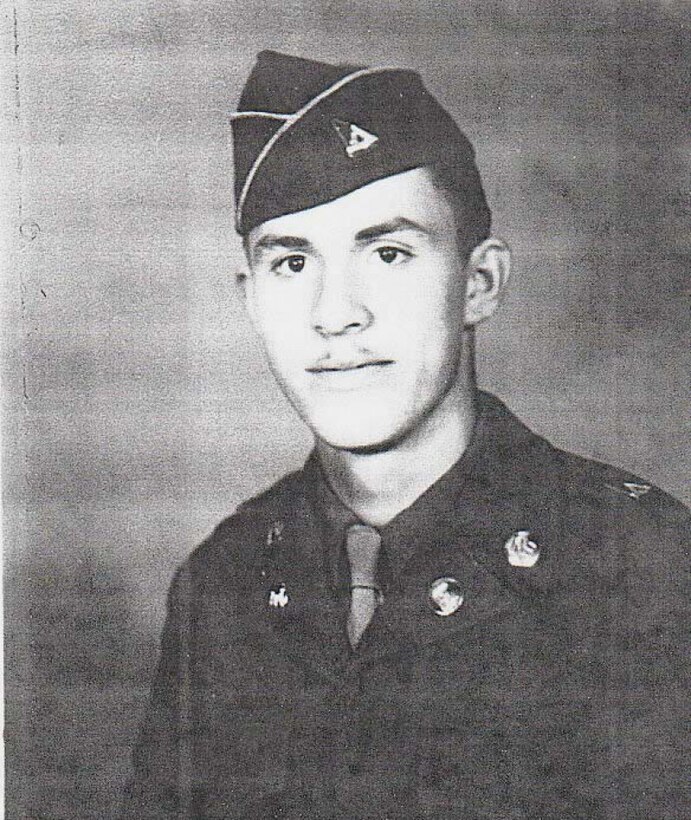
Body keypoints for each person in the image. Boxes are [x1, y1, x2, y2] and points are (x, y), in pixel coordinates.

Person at [122, 50, 689, 819]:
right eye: (291, 263)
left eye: (387, 253)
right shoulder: (221, 586)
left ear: (477, 283)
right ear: (250, 301)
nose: (335, 313)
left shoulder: (639, 563)